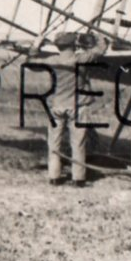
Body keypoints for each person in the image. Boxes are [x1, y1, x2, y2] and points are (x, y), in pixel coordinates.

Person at [44, 31, 110, 187]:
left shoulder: (51, 60)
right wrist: (96, 33)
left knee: (54, 144)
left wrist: (36, 44)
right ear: (73, 45)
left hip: (57, 106)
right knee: (78, 143)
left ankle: (54, 177)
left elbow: (31, 59)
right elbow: (101, 49)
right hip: (77, 106)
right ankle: (78, 179)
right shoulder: (80, 59)